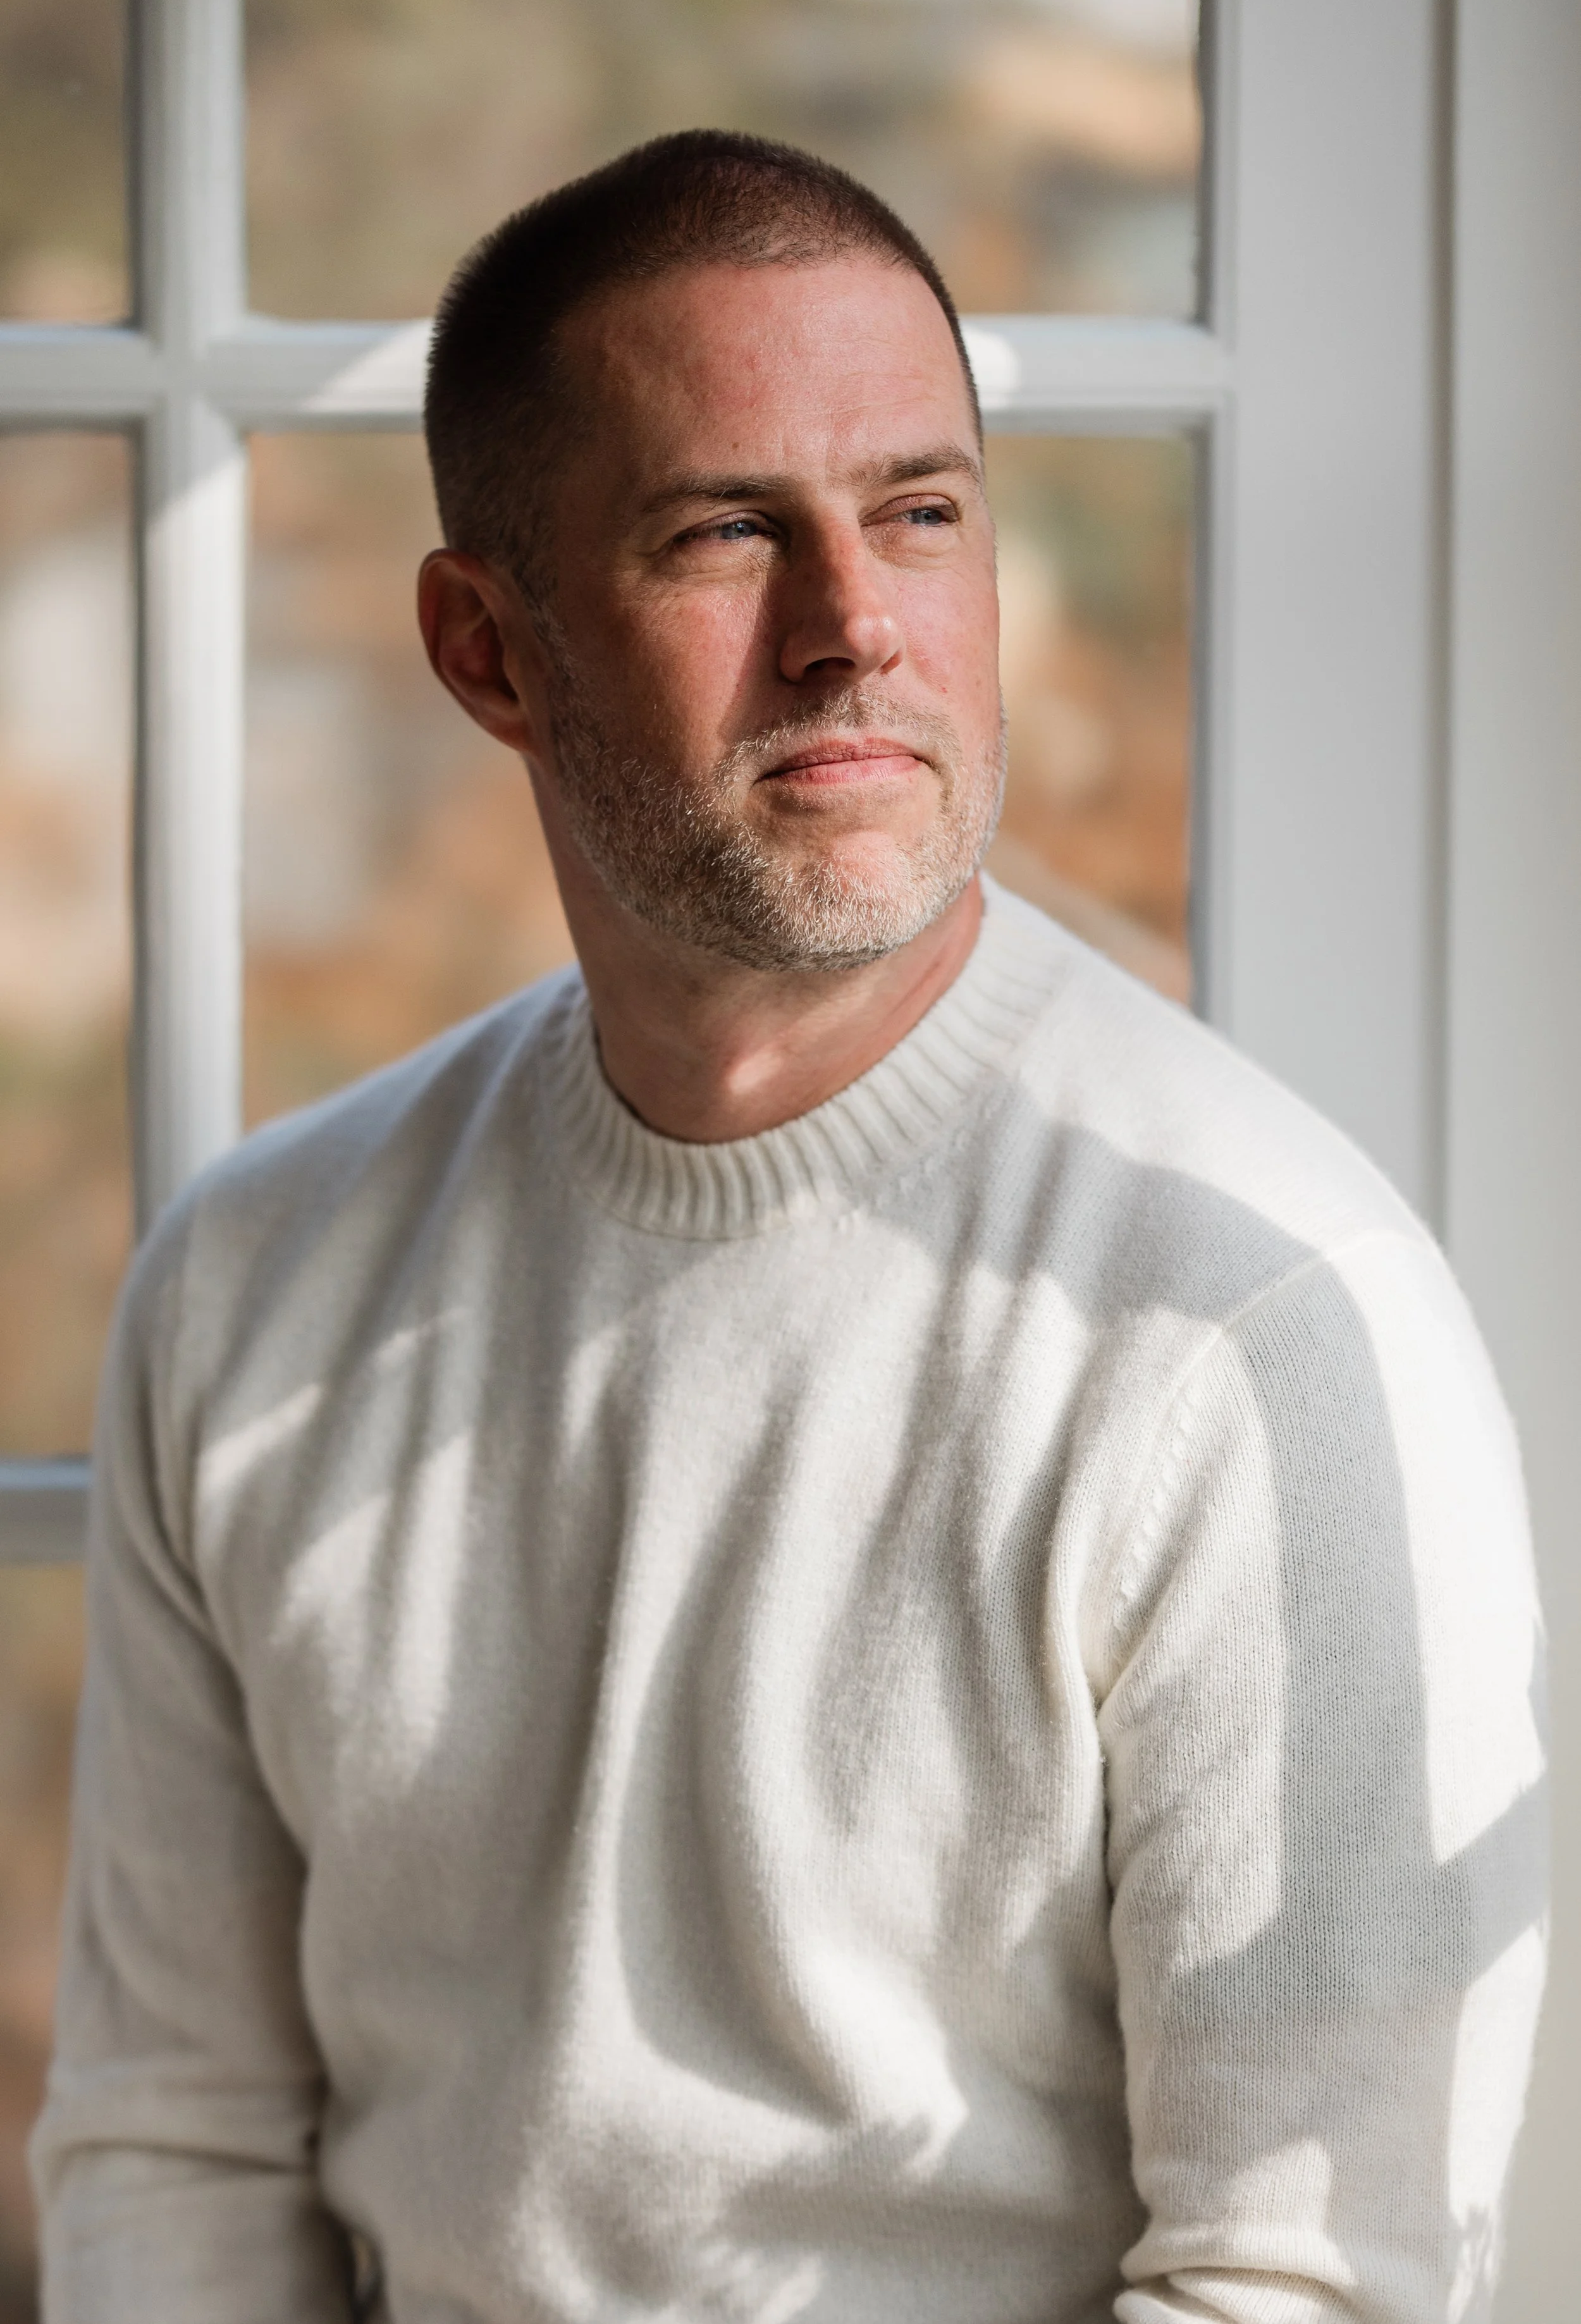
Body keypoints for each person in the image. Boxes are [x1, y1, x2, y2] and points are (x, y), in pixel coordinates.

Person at [32, 132, 1545, 2323]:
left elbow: (1308, 2282)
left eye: (921, 511)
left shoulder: (1250, 1318)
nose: (856, 631)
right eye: (726, 531)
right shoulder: (262, 1281)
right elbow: (172, 2136)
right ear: (487, 648)